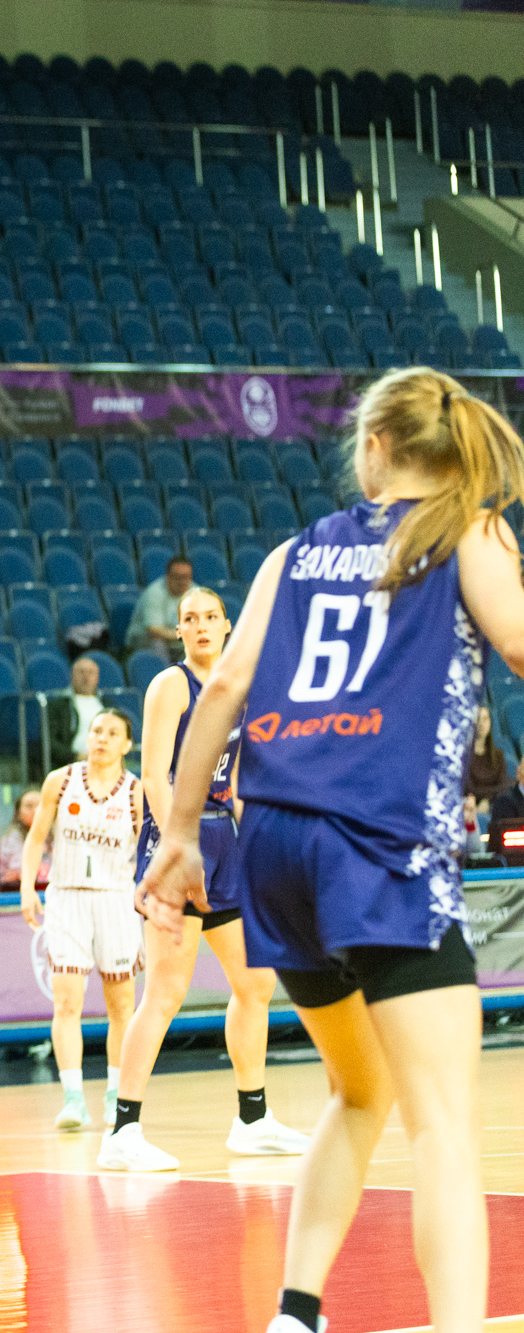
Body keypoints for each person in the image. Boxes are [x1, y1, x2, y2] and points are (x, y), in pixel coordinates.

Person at [144, 369, 518, 1333]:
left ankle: (296, 1313)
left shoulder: (296, 550)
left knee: (360, 1090)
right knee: (443, 1121)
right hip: (376, 838)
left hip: (274, 843)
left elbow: (223, 688)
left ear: (375, 448)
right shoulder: (465, 530)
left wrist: (179, 834)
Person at [99, 587, 311, 1173]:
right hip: (175, 835)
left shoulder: (239, 687)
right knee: (166, 993)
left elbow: (237, 780)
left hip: (225, 839)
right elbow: (153, 776)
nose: (199, 626)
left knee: (256, 983)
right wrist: (178, 847)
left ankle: (252, 1119)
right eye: (188, 618)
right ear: (179, 630)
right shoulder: (170, 686)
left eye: (209, 617)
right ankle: (122, 1131)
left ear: (226, 624)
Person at [19, 709, 143, 1132]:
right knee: (66, 1002)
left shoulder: (136, 792)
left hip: (115, 900)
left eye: (112, 733)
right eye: (96, 731)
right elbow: (36, 838)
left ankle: (115, 1096)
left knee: (121, 1005)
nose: (102, 738)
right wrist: (27, 888)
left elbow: (152, 848)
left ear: (127, 744)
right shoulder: (60, 780)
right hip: (67, 897)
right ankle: (73, 1099)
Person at [126, 555, 196, 656]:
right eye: (178, 577)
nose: (182, 582)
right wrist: (184, 634)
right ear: (168, 577)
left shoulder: (195, 593)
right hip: (144, 641)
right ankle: (161, 666)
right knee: (157, 643)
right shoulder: (154, 593)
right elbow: (153, 630)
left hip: (177, 641)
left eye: (186, 577)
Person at [0, 789, 50, 892]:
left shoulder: (59, 837)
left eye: (40, 805)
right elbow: (1, 877)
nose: (35, 810)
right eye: (29, 806)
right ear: (19, 812)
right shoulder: (8, 840)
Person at [53, 656, 103, 759]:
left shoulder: (108, 705)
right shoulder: (58, 705)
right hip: (73, 761)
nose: (86, 677)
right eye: (81, 672)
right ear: (71, 676)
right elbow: (50, 742)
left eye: (90, 673)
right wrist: (75, 756)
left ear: (97, 678)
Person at [464, 704, 508, 816]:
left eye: (485, 719)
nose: (481, 724)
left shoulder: (498, 755)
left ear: (490, 722)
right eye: (478, 719)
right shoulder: (463, 755)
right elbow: (468, 788)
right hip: (468, 807)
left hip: (493, 807)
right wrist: (488, 796)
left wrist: (487, 801)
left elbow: (502, 786)